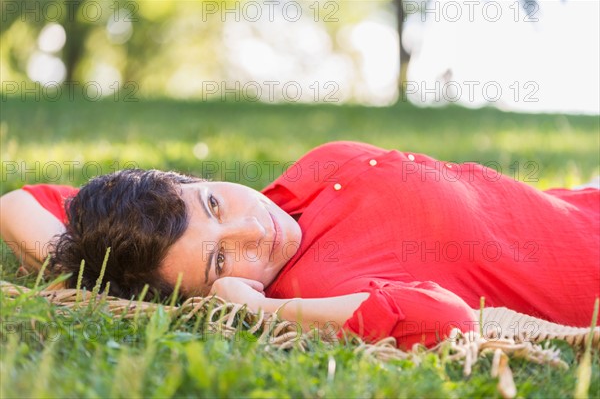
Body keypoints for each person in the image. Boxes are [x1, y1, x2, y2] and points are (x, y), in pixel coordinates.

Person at [1, 141, 598, 349]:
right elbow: (445, 320)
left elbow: (16, 203)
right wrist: (259, 310)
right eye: (220, 260)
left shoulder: (279, 197)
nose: (251, 231)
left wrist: (80, 261)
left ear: (189, 180)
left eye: (214, 204)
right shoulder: (313, 287)